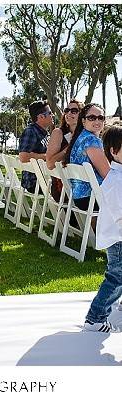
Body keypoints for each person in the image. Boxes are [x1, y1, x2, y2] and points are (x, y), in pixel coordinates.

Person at [83, 126, 122, 333]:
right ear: (113, 152)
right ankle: (94, 319)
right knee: (116, 276)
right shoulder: (116, 180)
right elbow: (119, 214)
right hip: (118, 238)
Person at [64, 103, 110, 211]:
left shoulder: (80, 138)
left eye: (100, 118)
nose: (97, 121)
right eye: (92, 118)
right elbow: (107, 175)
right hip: (92, 198)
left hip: (80, 197)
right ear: (83, 121)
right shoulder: (91, 140)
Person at [46, 99, 83, 201]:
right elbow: (49, 164)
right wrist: (69, 148)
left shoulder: (87, 135)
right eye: (67, 110)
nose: (69, 113)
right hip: (63, 189)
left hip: (83, 183)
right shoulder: (58, 133)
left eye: (74, 111)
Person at [18, 100, 53, 192]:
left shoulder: (45, 133)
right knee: (69, 190)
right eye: (50, 113)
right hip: (34, 182)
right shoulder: (30, 131)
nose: (52, 115)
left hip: (45, 178)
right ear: (41, 116)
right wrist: (47, 157)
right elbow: (23, 157)